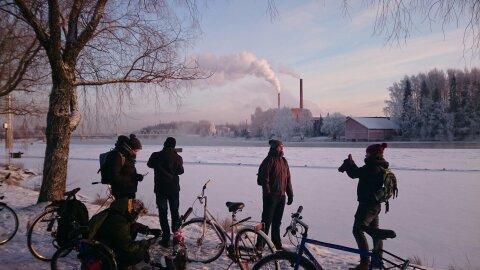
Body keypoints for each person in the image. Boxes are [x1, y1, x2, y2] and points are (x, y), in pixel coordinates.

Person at [338, 143, 390, 270]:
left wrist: (349, 164)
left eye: (367, 153)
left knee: (358, 230)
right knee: (375, 232)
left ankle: (364, 263)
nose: (366, 155)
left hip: (367, 206)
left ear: (373, 154)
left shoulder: (371, 167)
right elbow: (359, 172)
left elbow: (355, 174)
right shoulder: (379, 166)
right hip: (375, 206)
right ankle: (377, 261)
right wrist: (351, 164)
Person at [88, 198, 162, 270]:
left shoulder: (114, 213)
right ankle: (123, 266)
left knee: (133, 229)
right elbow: (128, 246)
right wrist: (147, 243)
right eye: (135, 210)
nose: (136, 214)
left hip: (102, 245)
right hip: (107, 253)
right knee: (139, 253)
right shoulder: (120, 222)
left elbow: (133, 225)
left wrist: (149, 230)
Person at [256, 139, 293, 250]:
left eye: (283, 146)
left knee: (277, 222)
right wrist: (268, 194)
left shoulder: (284, 161)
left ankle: (276, 244)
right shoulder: (268, 160)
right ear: (275, 147)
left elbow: (288, 179)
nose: (282, 148)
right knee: (266, 221)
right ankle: (260, 245)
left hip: (281, 196)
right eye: (280, 146)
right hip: (271, 196)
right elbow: (264, 179)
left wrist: (290, 194)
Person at [147, 137, 184, 247]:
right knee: (175, 213)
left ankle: (166, 238)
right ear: (174, 146)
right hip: (173, 189)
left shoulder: (155, 155)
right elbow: (180, 171)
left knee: (163, 214)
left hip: (160, 189)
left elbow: (149, 164)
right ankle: (176, 237)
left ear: (164, 144)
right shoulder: (178, 157)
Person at [109, 134, 144, 199]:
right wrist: (134, 177)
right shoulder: (117, 156)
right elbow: (115, 176)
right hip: (121, 192)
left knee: (130, 208)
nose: (136, 153)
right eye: (136, 151)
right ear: (129, 148)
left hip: (128, 190)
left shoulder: (128, 157)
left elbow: (127, 172)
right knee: (122, 208)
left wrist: (137, 176)